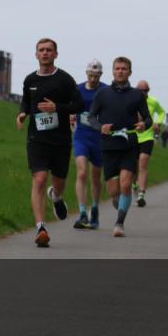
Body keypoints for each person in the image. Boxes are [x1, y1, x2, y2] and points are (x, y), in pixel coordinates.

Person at [16, 38, 84, 247]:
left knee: (59, 182)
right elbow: (27, 100)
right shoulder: (29, 80)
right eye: (41, 50)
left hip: (61, 139)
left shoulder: (64, 79)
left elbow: (78, 105)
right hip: (37, 138)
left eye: (49, 50)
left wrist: (57, 108)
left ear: (56, 54)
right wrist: (22, 113)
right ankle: (40, 227)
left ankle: (55, 197)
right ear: (36, 54)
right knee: (39, 177)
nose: (45, 53)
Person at [86, 57, 152, 237]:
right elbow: (91, 117)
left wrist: (143, 125)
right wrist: (101, 127)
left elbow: (148, 118)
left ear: (130, 72)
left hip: (129, 145)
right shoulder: (103, 93)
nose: (120, 71)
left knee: (125, 184)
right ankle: (119, 200)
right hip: (109, 146)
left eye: (124, 69)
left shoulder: (137, 95)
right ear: (112, 71)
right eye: (117, 68)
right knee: (114, 190)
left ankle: (119, 223)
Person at [70, 60, 106, 229]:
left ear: (100, 75)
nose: (93, 78)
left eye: (96, 75)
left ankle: (96, 208)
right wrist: (71, 115)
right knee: (82, 173)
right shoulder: (78, 89)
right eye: (90, 75)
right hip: (81, 135)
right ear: (86, 74)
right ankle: (83, 212)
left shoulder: (105, 90)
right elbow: (71, 106)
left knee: (96, 177)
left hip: (99, 137)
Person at [133, 80, 166, 207]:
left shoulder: (153, 101)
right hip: (133, 136)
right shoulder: (131, 101)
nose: (143, 93)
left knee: (143, 162)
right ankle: (134, 184)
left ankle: (141, 194)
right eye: (141, 91)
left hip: (148, 136)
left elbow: (162, 112)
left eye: (146, 91)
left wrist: (158, 122)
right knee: (133, 166)